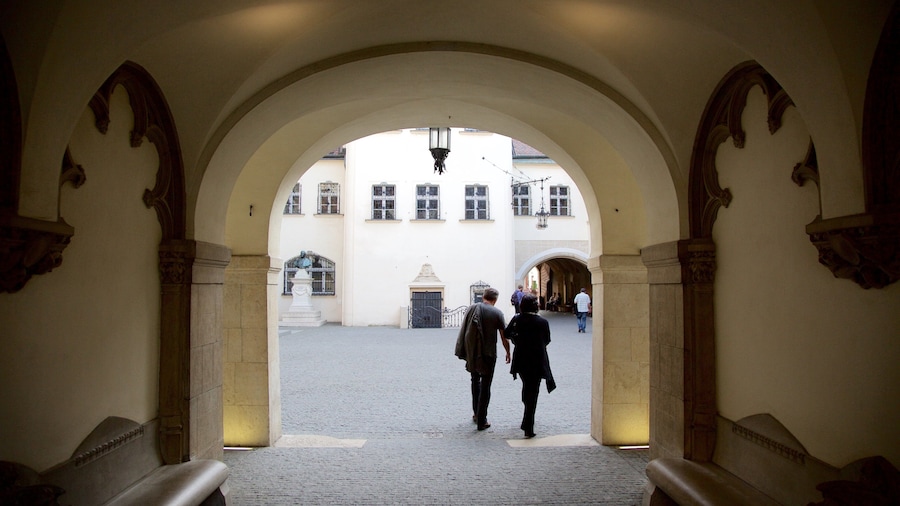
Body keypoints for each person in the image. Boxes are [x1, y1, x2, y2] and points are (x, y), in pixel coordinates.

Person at [455, 287, 510, 430]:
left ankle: (476, 413)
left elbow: (464, 328)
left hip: (473, 351)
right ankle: (482, 419)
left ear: (483, 296)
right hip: (489, 353)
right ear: (495, 300)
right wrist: (508, 352)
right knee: (486, 385)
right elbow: (504, 337)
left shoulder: (471, 308)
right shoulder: (497, 313)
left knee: (475, 381)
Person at [505, 294, 556, 438]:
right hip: (537, 359)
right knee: (533, 392)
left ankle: (527, 419)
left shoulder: (517, 319)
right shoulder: (542, 322)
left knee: (527, 387)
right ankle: (528, 426)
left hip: (521, 359)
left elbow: (507, 333)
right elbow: (547, 340)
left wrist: (517, 338)